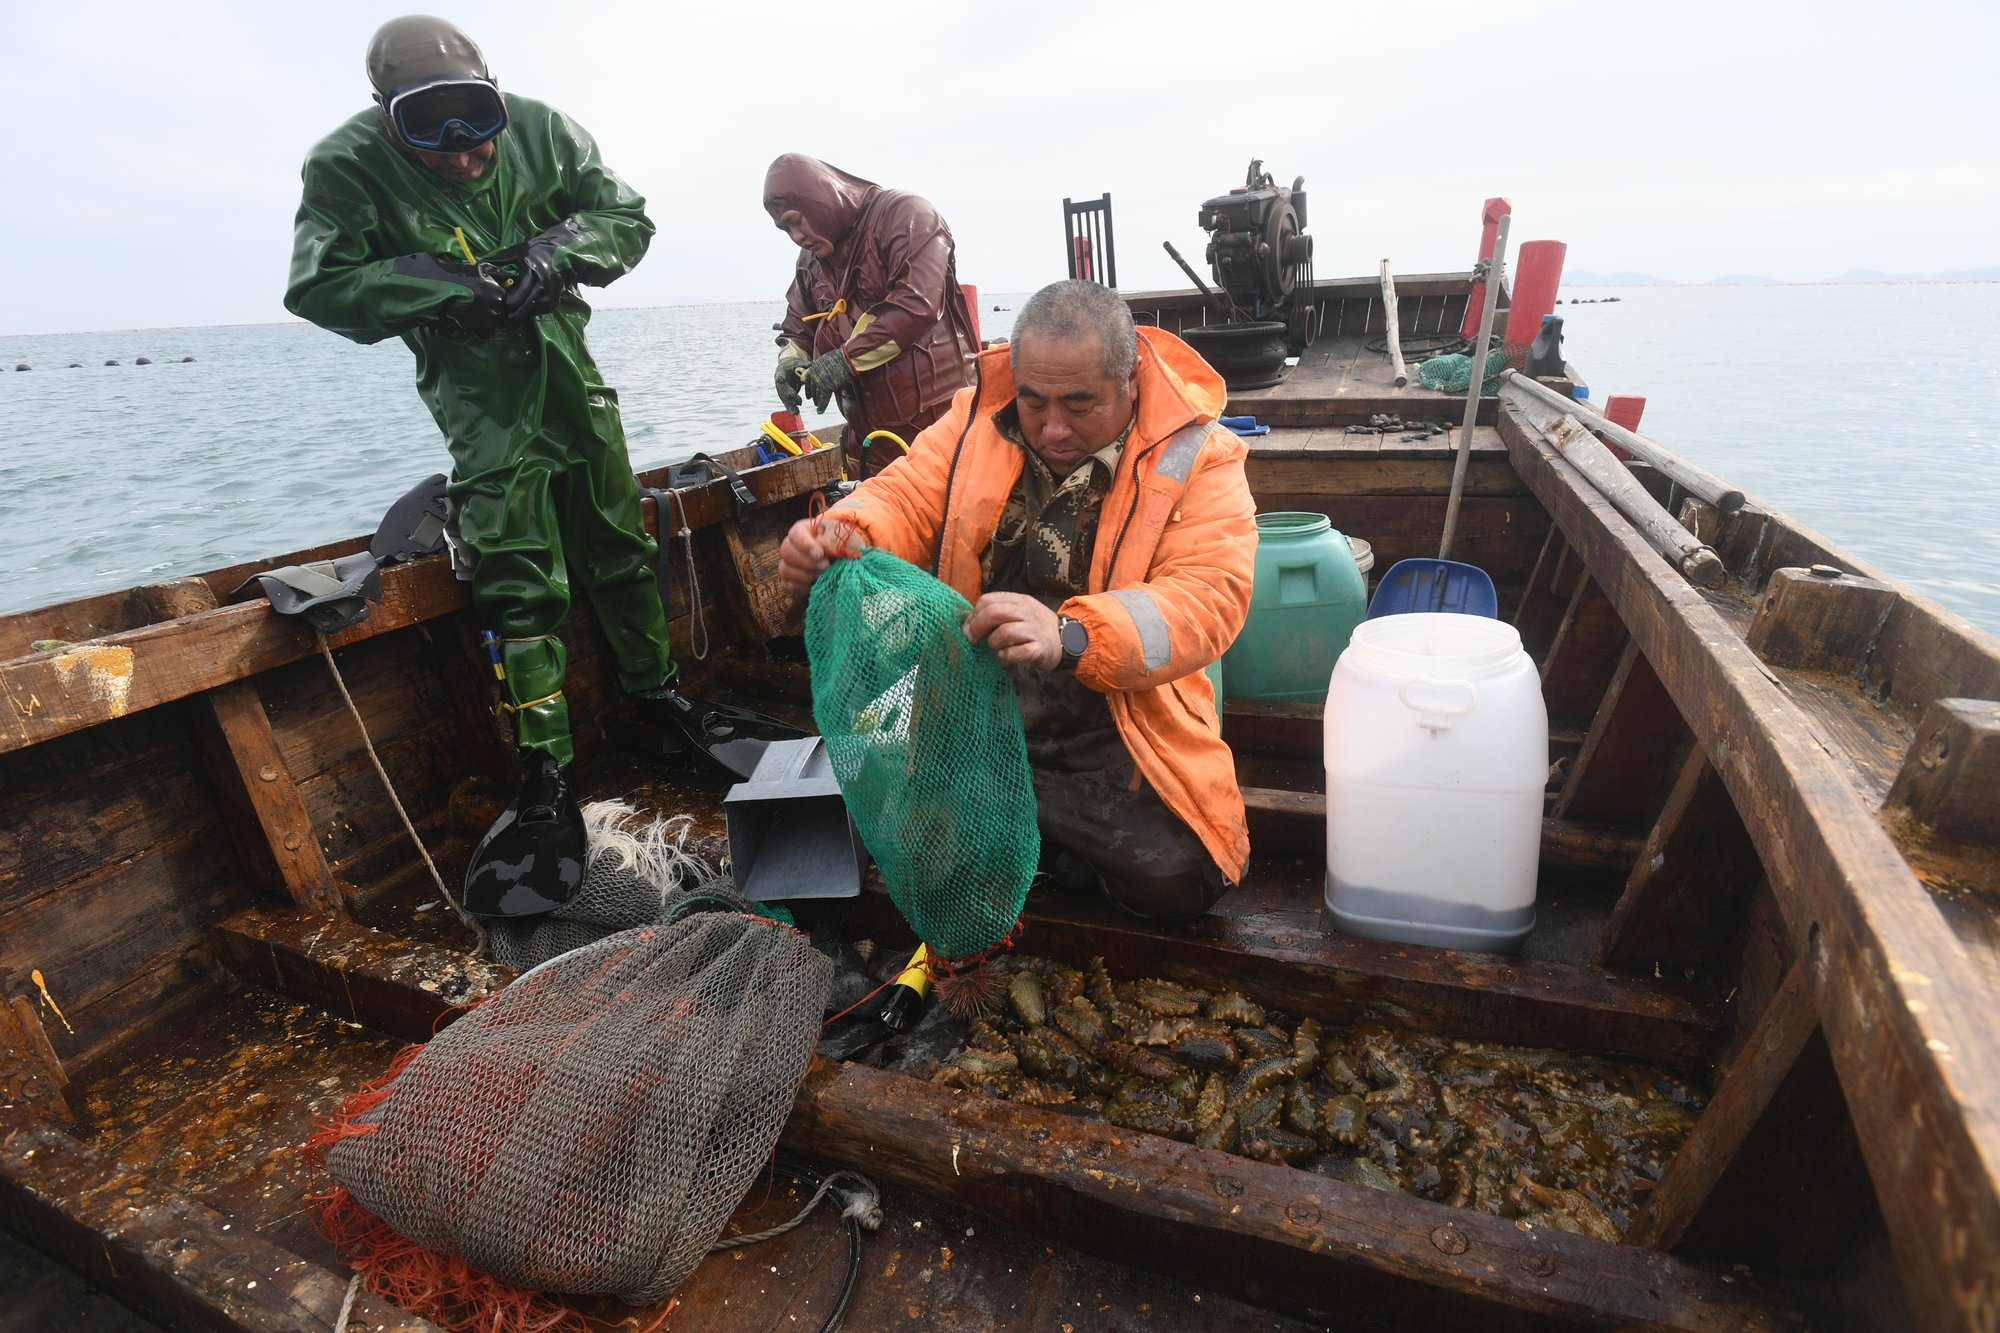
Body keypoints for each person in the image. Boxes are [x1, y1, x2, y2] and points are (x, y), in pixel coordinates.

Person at [285, 15, 686, 916]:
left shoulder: (545, 129)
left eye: (480, 137)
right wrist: (442, 288)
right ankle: (547, 764)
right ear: (390, 118)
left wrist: (557, 253)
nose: (466, 161)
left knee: (619, 534)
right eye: (437, 143)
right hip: (478, 395)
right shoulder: (343, 165)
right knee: (516, 567)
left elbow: (627, 215)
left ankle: (657, 697)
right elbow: (317, 283)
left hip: (567, 366)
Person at [779, 280, 1257, 920]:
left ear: (1131, 381)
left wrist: (1072, 636)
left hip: (1118, 727)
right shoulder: (973, 419)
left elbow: (1208, 597)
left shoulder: (1203, 456)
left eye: (1080, 405)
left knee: (1180, 880)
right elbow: (906, 495)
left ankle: (1029, 836)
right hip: (971, 709)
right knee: (914, 855)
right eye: (1034, 402)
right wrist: (845, 530)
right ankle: (1035, 839)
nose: (1053, 428)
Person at [764, 155, 979, 477]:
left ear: (822, 199)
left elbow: (917, 304)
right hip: (868, 447)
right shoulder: (811, 260)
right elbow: (797, 326)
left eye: (797, 220)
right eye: (785, 229)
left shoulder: (906, 214)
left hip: (944, 434)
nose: (796, 235)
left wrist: (844, 360)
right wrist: (790, 362)